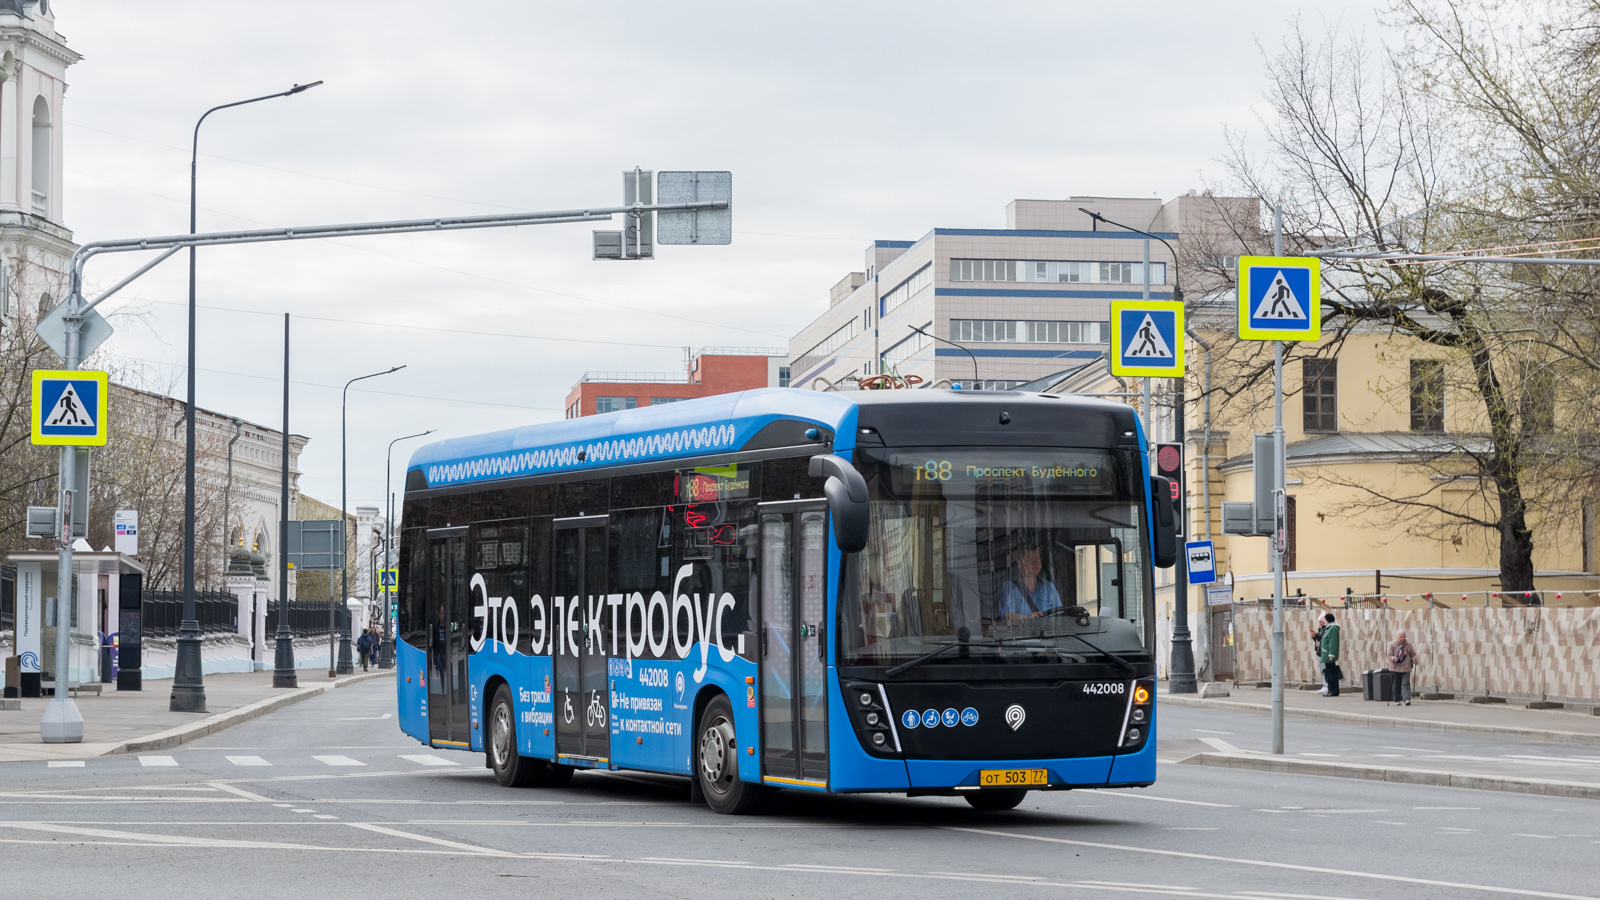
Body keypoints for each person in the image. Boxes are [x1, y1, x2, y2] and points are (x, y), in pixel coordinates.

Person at [999, 545, 1062, 620]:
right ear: (1019, 563)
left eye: (1037, 559)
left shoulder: (1050, 587)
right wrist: (1029, 618)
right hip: (1023, 627)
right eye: (1030, 560)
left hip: (1048, 627)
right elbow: (1008, 616)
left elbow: (1060, 616)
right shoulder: (1009, 588)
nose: (1035, 563)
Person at [1387, 629, 1419, 705]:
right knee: (1396, 684)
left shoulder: (1408, 644)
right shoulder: (1392, 644)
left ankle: (1406, 699)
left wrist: (1414, 659)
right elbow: (1389, 655)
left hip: (1406, 667)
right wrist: (1393, 658)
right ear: (1397, 637)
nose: (1402, 638)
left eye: (1404, 637)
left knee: (1405, 683)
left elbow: (1412, 654)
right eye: (1400, 637)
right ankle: (1396, 700)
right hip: (1395, 667)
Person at [1318, 612, 1342, 697]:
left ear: (1327, 620)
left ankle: (1333, 690)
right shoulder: (1329, 628)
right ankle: (1331, 690)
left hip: (1328, 654)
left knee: (1331, 674)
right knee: (1329, 673)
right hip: (1326, 653)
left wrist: (1331, 654)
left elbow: (1333, 642)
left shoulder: (1333, 628)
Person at [1311, 614, 1329, 695]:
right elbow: (1318, 641)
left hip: (1323, 652)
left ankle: (1326, 685)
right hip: (1319, 651)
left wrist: (1316, 634)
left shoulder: (1326, 629)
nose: (1319, 623)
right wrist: (1314, 637)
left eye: (1320, 621)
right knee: (1321, 669)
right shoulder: (1321, 629)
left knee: (1324, 669)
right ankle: (1324, 685)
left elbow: (1323, 638)